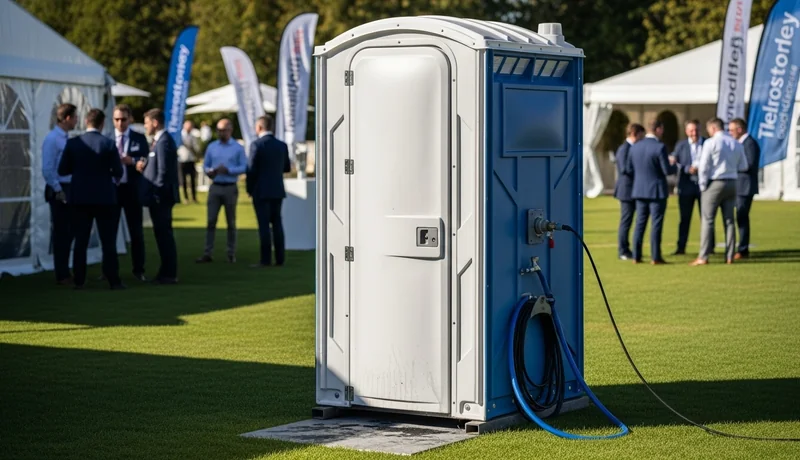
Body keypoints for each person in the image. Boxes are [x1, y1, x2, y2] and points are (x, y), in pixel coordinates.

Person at [57, 108, 124, 289]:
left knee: (81, 241)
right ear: (102, 123)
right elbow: (118, 171)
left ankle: (79, 280)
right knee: (108, 242)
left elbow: (62, 170)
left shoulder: (73, 143)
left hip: (80, 197)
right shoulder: (108, 144)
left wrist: (80, 171)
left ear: (86, 122)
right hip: (104, 197)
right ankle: (113, 280)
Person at [689, 118, 749, 266]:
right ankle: (729, 256)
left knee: (708, 219)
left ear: (714, 128)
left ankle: (703, 256)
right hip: (732, 182)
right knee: (729, 221)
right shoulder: (736, 143)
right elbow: (744, 165)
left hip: (716, 182)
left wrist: (703, 186)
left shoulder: (710, 143)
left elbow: (703, 166)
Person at [136, 108, 180, 284]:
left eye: (146, 122)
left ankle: (169, 273)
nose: (145, 126)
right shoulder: (158, 141)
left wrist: (156, 194)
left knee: (164, 235)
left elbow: (162, 172)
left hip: (161, 198)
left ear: (155, 122)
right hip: (158, 197)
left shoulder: (164, 141)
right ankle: (166, 271)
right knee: (161, 235)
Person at [196, 118, 247, 263]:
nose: (221, 133)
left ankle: (231, 252)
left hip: (230, 187)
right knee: (211, 220)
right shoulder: (212, 147)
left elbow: (244, 167)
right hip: (215, 186)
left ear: (230, 130)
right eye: (219, 130)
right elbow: (205, 165)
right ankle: (208, 252)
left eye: (223, 130)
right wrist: (210, 171)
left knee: (231, 222)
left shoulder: (237, 148)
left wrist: (229, 170)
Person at [626, 119, 675, 265]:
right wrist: (675, 166)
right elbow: (666, 170)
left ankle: (636, 255)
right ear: (658, 129)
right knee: (656, 224)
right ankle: (655, 256)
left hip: (639, 190)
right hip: (656, 190)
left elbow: (629, 169)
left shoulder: (635, 147)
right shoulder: (659, 147)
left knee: (640, 223)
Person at [246, 115, 291, 267]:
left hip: (261, 190)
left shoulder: (257, 145)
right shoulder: (282, 145)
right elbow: (287, 167)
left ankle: (265, 259)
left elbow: (251, 170)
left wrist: (249, 189)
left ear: (259, 127)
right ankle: (280, 259)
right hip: (277, 189)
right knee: (277, 224)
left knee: (264, 225)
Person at [111, 104, 148, 281]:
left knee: (136, 232)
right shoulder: (108, 138)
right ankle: (109, 270)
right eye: (116, 119)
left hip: (132, 190)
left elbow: (145, 159)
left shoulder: (139, 138)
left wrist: (132, 161)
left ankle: (139, 269)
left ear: (130, 119)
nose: (120, 123)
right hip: (113, 190)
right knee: (109, 232)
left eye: (123, 119)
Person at [42, 103, 78, 285]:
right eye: (75, 117)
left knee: (69, 231)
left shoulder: (64, 138)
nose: (77, 120)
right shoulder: (52, 139)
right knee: (61, 232)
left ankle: (65, 270)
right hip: (59, 188)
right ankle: (62, 274)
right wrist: (58, 191)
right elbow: (47, 169)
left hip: (67, 187)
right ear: (68, 118)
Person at [669, 120, 705, 255]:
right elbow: (674, 161)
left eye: (696, 130)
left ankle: (709, 247)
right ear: (686, 131)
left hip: (703, 186)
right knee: (685, 219)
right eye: (691, 131)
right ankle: (681, 247)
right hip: (686, 186)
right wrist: (686, 168)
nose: (694, 133)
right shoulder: (681, 145)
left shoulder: (707, 143)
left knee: (706, 218)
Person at [728, 118, 761, 259]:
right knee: (740, 217)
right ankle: (740, 247)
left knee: (742, 217)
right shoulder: (741, 144)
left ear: (739, 129)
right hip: (739, 186)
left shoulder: (750, 144)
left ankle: (743, 249)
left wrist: (731, 167)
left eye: (731, 130)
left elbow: (749, 164)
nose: (730, 133)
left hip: (745, 187)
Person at [613, 123, 644, 260]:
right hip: (626, 191)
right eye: (641, 136)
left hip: (632, 190)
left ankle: (627, 249)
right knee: (626, 221)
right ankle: (623, 250)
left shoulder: (630, 148)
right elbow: (625, 169)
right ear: (634, 134)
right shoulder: (624, 149)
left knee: (630, 221)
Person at [178, 120, 200, 204]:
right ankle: (186, 198)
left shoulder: (192, 136)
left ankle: (194, 197)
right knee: (183, 180)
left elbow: (196, 147)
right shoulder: (180, 136)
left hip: (191, 159)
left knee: (193, 180)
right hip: (182, 160)